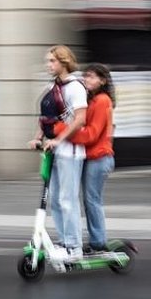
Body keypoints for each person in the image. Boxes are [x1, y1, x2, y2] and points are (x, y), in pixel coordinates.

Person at [27, 45, 87, 261]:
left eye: (52, 61)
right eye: (47, 61)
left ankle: (74, 247)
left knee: (67, 199)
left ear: (64, 62)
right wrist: (38, 138)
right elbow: (44, 119)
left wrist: (58, 139)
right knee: (55, 200)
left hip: (70, 151)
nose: (48, 64)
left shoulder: (75, 87)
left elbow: (80, 119)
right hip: (53, 151)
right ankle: (64, 243)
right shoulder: (51, 87)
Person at [54, 63, 116, 253]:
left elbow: (90, 134)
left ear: (102, 81)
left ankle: (98, 242)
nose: (86, 79)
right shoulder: (92, 100)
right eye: (85, 76)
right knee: (84, 200)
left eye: (91, 76)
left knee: (92, 200)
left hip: (99, 158)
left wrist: (61, 130)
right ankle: (91, 240)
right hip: (90, 158)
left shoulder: (102, 100)